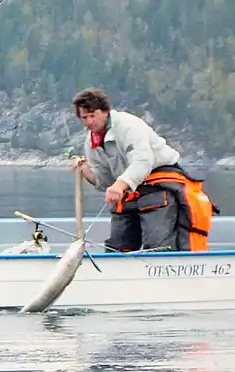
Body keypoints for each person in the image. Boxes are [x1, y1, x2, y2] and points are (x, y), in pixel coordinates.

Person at [67, 87, 217, 252]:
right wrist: (85, 170)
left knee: (157, 246)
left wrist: (120, 184)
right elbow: (106, 182)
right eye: (84, 117)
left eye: (92, 115)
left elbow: (143, 161)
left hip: (158, 184)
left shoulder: (128, 126)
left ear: (104, 111)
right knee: (117, 247)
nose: (89, 122)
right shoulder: (91, 143)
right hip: (129, 191)